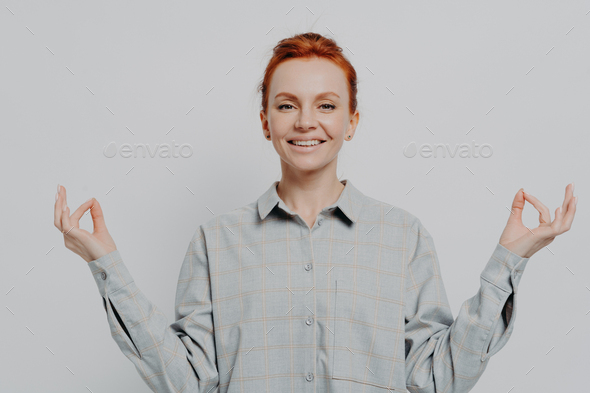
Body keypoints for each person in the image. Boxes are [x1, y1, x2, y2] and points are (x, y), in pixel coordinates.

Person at [54, 32, 577, 393]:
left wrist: (508, 259)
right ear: (265, 121)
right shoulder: (216, 240)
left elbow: (439, 380)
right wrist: (106, 265)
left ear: (352, 121)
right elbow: (188, 382)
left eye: (326, 105)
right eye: (287, 105)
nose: (307, 122)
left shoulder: (403, 236)